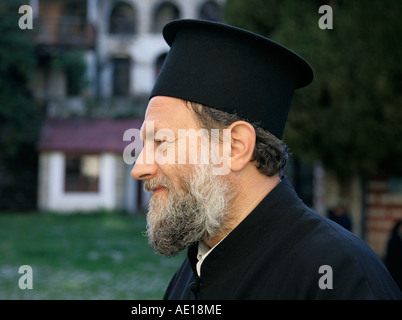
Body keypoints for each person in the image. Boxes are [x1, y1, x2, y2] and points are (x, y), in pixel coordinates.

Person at [131, 19, 401, 299]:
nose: (139, 168)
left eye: (161, 142)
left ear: (235, 147)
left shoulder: (340, 276)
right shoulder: (188, 276)